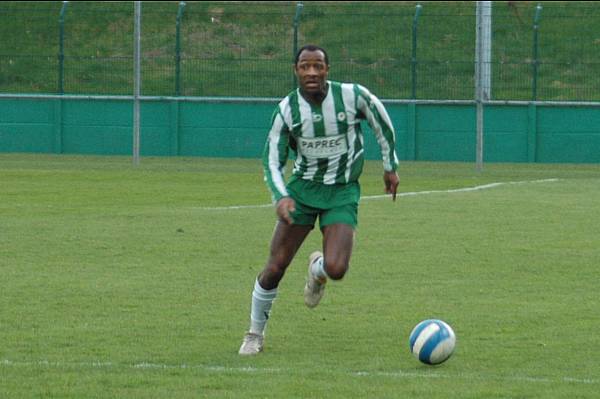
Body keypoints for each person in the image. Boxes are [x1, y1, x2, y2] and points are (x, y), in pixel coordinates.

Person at [238, 44, 400, 355]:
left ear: (327, 69)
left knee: (337, 268)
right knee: (275, 267)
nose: (312, 72)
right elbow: (271, 160)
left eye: (318, 66)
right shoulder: (286, 110)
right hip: (302, 192)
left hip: (342, 191)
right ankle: (254, 333)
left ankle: (317, 271)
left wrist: (390, 168)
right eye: (304, 67)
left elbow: (383, 127)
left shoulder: (353, 96)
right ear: (296, 71)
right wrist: (280, 196)